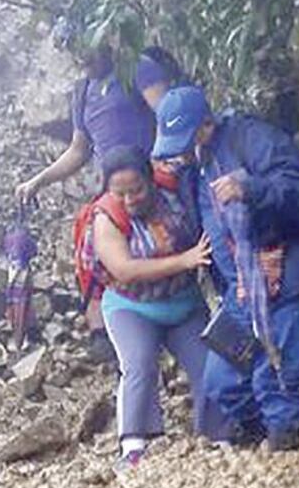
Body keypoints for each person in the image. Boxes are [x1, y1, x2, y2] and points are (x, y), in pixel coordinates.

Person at [152, 86, 299, 452]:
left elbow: (297, 189)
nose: (178, 153)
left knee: (275, 379)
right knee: (221, 382)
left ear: (206, 125)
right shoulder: (194, 166)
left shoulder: (252, 138)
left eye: (183, 140)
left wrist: (250, 188)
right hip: (241, 289)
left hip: (288, 274)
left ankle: (284, 447)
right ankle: (256, 435)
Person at [15, 44, 155, 361]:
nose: (84, 63)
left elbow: (166, 112)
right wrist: (38, 181)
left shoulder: (136, 69)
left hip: (151, 178)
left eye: (89, 54)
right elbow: (79, 150)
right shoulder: (83, 92)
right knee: (87, 239)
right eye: (79, 58)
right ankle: (100, 329)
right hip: (111, 191)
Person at [87, 147, 217, 470]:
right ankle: (132, 446)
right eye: (120, 193)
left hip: (182, 303)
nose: (130, 199)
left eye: (137, 190)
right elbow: (125, 270)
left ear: (150, 180)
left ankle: (216, 435)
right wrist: (184, 261)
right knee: (139, 365)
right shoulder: (105, 219)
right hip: (132, 307)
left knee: (209, 367)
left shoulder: (174, 195)